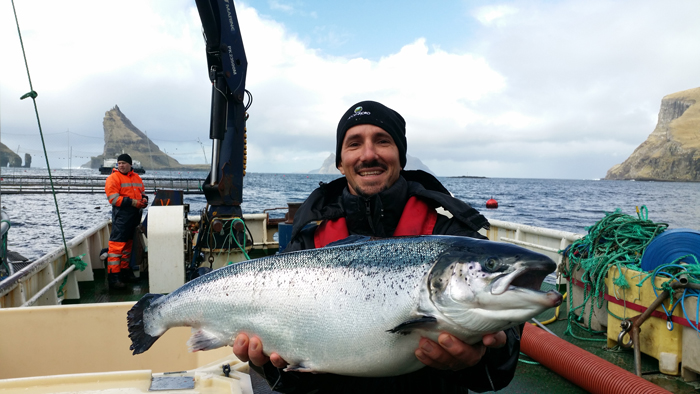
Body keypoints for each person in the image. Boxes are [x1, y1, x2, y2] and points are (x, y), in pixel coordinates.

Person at [234, 101, 522, 393]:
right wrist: (268, 365)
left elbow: (498, 367)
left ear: (401, 156)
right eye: (354, 144)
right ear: (340, 161)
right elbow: (294, 384)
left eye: (382, 141)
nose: (368, 155)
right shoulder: (305, 248)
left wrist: (485, 357)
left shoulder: (456, 243)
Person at [104, 153, 147, 290]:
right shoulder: (113, 178)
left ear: (130, 164)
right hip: (122, 216)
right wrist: (134, 202)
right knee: (116, 247)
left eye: (124, 163)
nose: (121, 165)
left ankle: (125, 271)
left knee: (128, 246)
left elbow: (143, 192)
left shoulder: (137, 177)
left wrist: (144, 200)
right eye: (119, 163)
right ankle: (114, 277)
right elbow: (114, 199)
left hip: (134, 216)